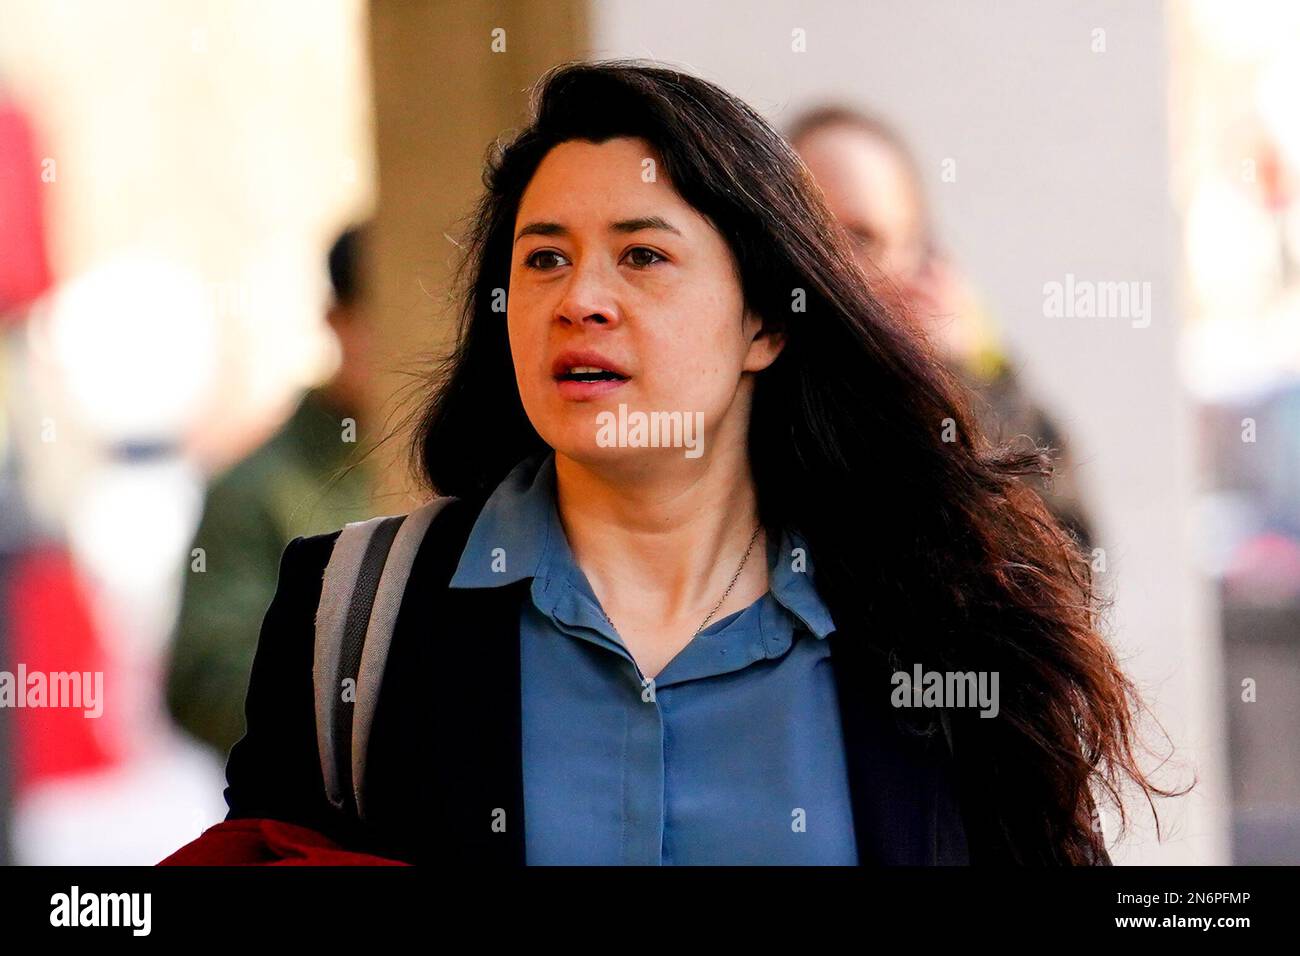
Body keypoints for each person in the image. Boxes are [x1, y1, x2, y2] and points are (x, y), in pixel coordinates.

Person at [217, 60, 1181, 865]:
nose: (580, 299)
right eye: (544, 259)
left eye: (642, 258)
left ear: (767, 320)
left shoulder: (947, 620)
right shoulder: (354, 620)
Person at [787, 106, 1096, 548]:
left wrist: (959, 388)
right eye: (812, 233)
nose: (833, 264)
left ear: (921, 260)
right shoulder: (735, 387)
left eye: (862, 239)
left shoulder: (991, 394)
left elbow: (1057, 574)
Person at [165, 225, 375, 758]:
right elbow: (204, 681)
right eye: (384, 315)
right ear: (339, 321)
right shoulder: (256, 490)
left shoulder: (479, 472)